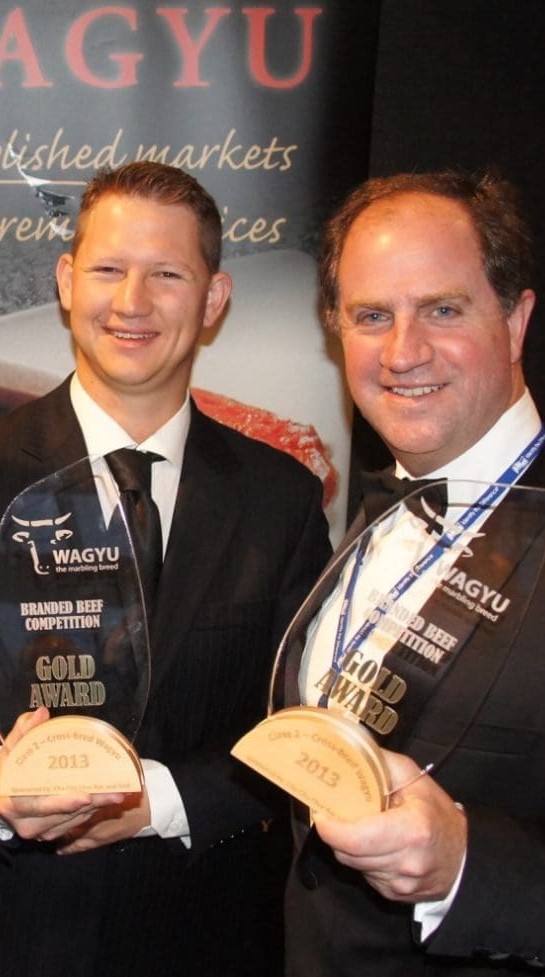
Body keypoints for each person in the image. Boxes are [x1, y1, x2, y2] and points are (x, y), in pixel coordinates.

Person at [0, 161, 331, 977]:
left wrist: (153, 803)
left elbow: (296, 730)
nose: (131, 302)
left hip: (200, 933)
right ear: (65, 282)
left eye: (167, 274)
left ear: (213, 299)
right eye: (107, 269)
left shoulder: (280, 498)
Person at [283, 169, 545, 975]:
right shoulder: (374, 516)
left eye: (441, 308)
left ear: (515, 318)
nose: (402, 351)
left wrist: (467, 862)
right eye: (371, 316)